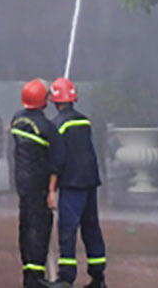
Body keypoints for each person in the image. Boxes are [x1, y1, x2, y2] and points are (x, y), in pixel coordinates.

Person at [49, 78, 106, 287]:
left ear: (55, 100)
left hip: (72, 184)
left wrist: (50, 188)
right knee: (91, 228)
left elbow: (57, 158)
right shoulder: (84, 121)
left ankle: (66, 278)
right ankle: (98, 277)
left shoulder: (57, 125)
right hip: (90, 181)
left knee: (68, 229)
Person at [10, 79, 59, 288]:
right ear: (43, 100)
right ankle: (36, 279)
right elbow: (57, 161)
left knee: (25, 227)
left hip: (22, 184)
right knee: (39, 230)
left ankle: (29, 275)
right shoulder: (47, 127)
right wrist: (51, 191)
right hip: (39, 186)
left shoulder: (16, 120)